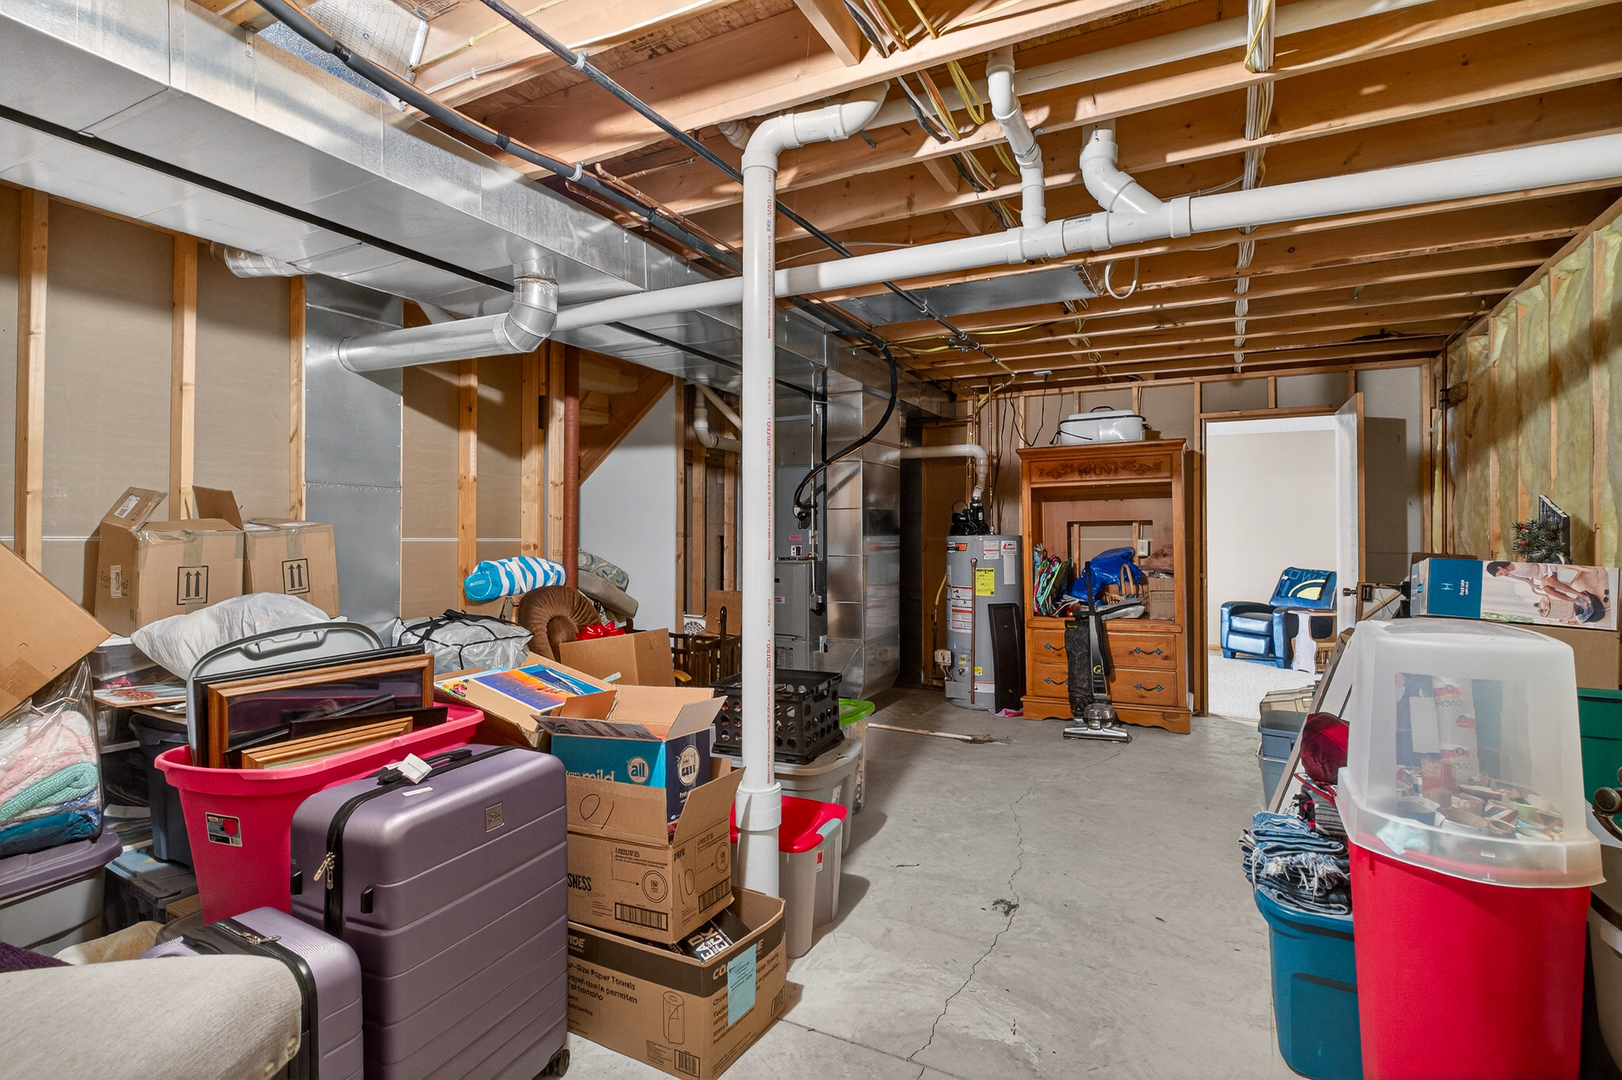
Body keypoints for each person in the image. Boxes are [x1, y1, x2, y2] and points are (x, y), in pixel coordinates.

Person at [1486, 562, 1609, 624]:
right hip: (1541, 577)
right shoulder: (1509, 574)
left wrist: (1545, 575)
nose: (1503, 574)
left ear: (1499, 566)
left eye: (1500, 572)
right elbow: (1526, 579)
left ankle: (1583, 596)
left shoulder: (1517, 562)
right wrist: (1534, 585)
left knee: (1551, 581)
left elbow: (1540, 561)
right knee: (1547, 589)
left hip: (1546, 567)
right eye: (1500, 575)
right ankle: (1577, 601)